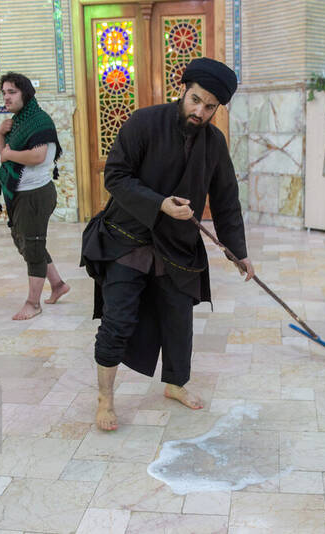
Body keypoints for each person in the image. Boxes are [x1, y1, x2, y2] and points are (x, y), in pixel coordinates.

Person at [80, 57, 255, 431]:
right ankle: (105, 399)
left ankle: (176, 384)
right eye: (196, 100)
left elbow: (226, 199)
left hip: (176, 244)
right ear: (183, 89)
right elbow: (115, 176)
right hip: (127, 238)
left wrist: (238, 252)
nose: (200, 111)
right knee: (118, 319)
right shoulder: (144, 122)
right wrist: (159, 203)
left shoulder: (213, 143)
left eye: (210, 107)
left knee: (179, 318)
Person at [0, 72, 70, 320]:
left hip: (36, 194)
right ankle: (58, 284)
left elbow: (38, 157)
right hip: (20, 194)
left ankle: (33, 303)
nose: (7, 97)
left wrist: (8, 155)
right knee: (27, 243)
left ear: (25, 94)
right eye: (4, 92)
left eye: (12, 92)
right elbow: (3, 155)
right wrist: (0, 135)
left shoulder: (40, 121)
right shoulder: (16, 122)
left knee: (34, 245)